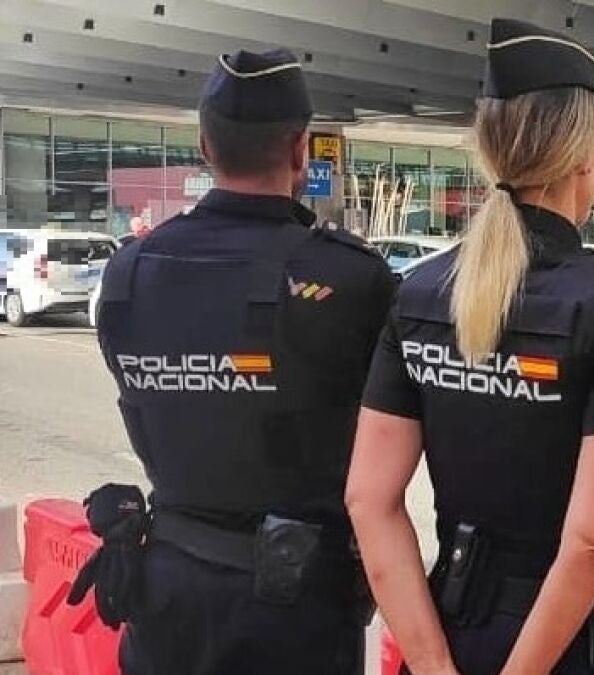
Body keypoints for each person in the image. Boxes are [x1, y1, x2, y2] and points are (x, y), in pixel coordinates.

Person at [346, 19, 594, 675]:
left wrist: (431, 663)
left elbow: (370, 501)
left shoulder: (420, 293)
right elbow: (590, 545)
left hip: (450, 628)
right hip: (568, 643)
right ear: (586, 157)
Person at [82, 49, 395, 675]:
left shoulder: (128, 273)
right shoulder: (349, 278)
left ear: (205, 145)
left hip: (166, 595)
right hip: (296, 612)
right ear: (301, 149)